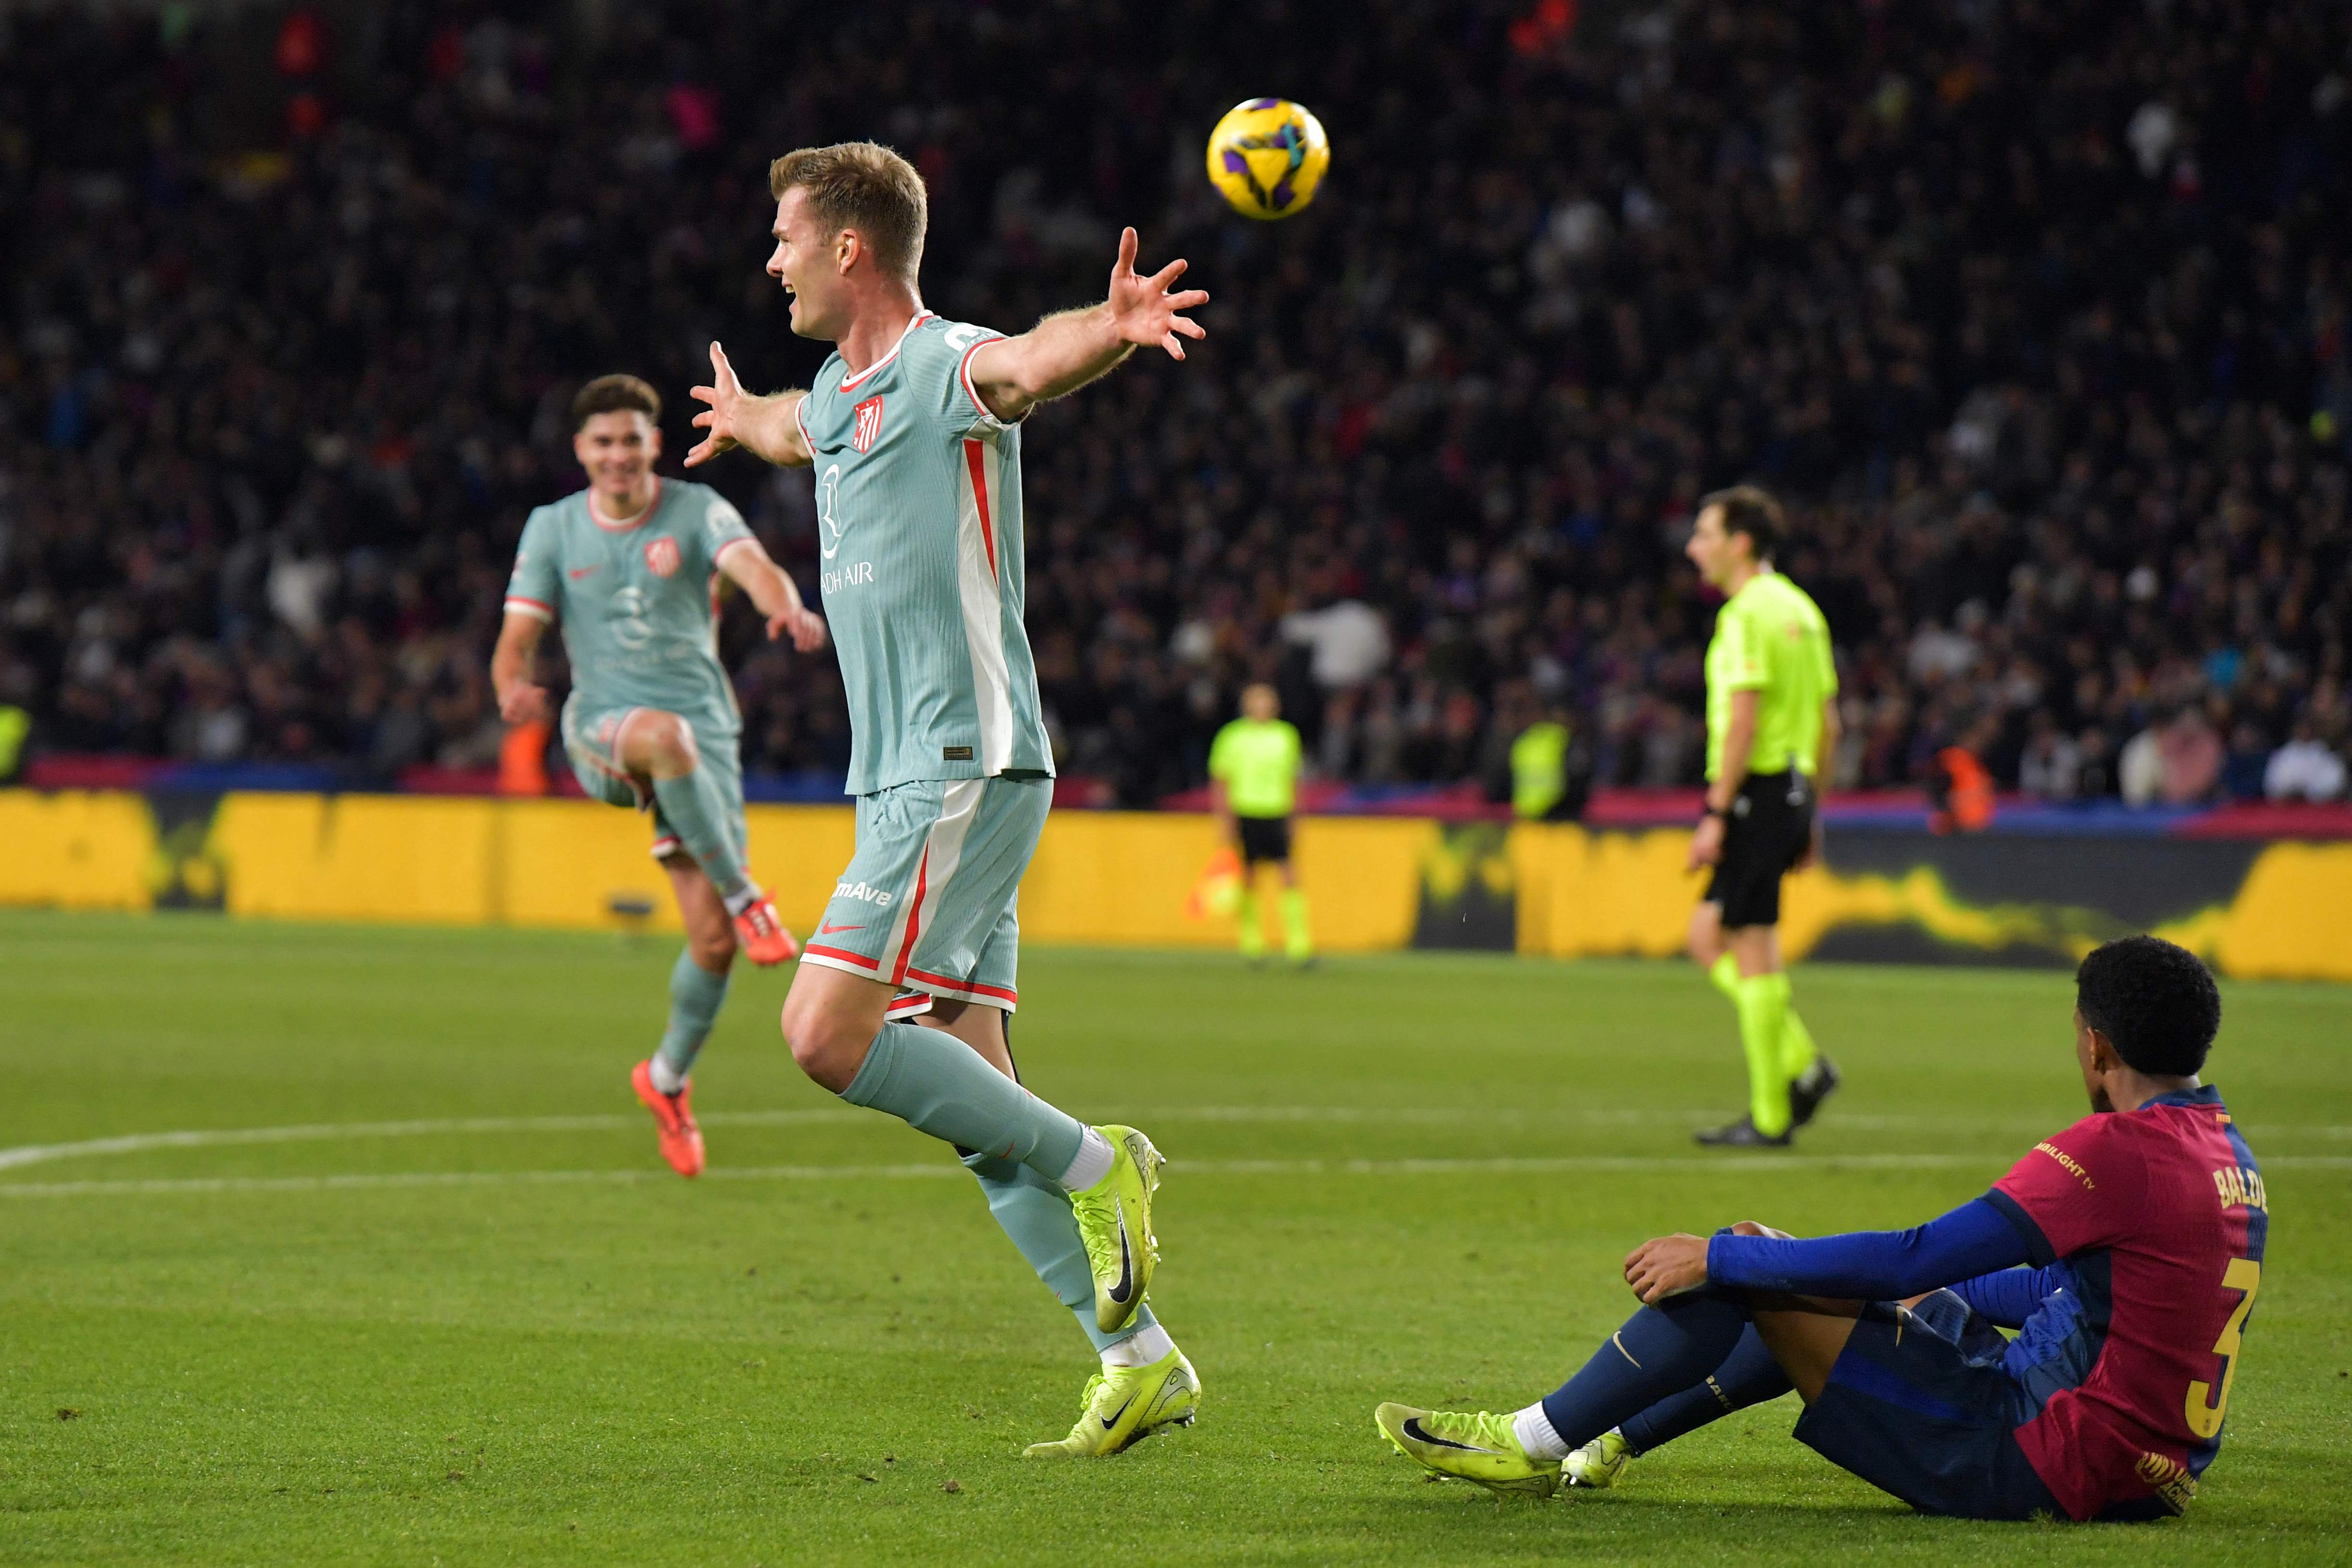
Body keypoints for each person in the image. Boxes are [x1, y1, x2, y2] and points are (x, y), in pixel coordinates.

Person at [681, 141, 1209, 1456]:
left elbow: (1030, 361)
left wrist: (1118, 331)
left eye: (786, 235)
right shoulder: (834, 390)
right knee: (977, 1104)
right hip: (912, 779)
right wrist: (742, 417)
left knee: (823, 1031)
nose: (773, 256)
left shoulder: (939, 363)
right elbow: (792, 430)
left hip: (958, 765)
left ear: (850, 247)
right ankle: (1136, 1357)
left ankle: (1104, 1164)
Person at [1376, 935, 2264, 1525]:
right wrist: (1891, 1286)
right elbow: (2059, 1294)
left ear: (2100, 1047)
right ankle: (1610, 1440)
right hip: (2149, 1469)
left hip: (2038, 1455)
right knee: (1799, 1268)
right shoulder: (2225, 1154)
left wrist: (1722, 1254)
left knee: (1748, 1266)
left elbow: (1924, 1252)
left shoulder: (2118, 1151)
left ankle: (1528, 1440)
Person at [492, 374, 825, 1180]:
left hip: (705, 740)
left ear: (652, 443)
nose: (617, 455)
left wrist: (784, 606)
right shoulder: (552, 529)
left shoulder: (696, 509)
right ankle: (752, 898)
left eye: (631, 440)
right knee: (662, 738)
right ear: (581, 451)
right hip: (605, 730)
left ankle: (666, 1079)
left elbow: (754, 567)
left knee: (711, 944)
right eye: (602, 442)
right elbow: (518, 635)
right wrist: (510, 684)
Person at [1682, 486, 1840, 1147]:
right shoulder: (1802, 610)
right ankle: (1800, 1068)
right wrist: (1814, 813)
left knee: (1729, 944)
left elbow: (1742, 721)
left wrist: (1716, 810)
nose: (1694, 548)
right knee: (1737, 943)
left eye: (1705, 534)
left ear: (1739, 542)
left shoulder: (1746, 614)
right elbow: (1829, 724)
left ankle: (1772, 1112)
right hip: (1792, 791)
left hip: (1755, 791)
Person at [1207, 682, 1315, 965]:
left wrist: (1296, 817)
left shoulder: (1285, 736)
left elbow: (1294, 781)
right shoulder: (1232, 737)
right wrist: (1224, 820)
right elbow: (1221, 781)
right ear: (1247, 705)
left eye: (1267, 701)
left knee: (1289, 875)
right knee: (1249, 877)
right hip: (1246, 810)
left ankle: (1298, 944)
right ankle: (1252, 943)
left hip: (1277, 811)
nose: (1262, 706)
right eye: (1257, 701)